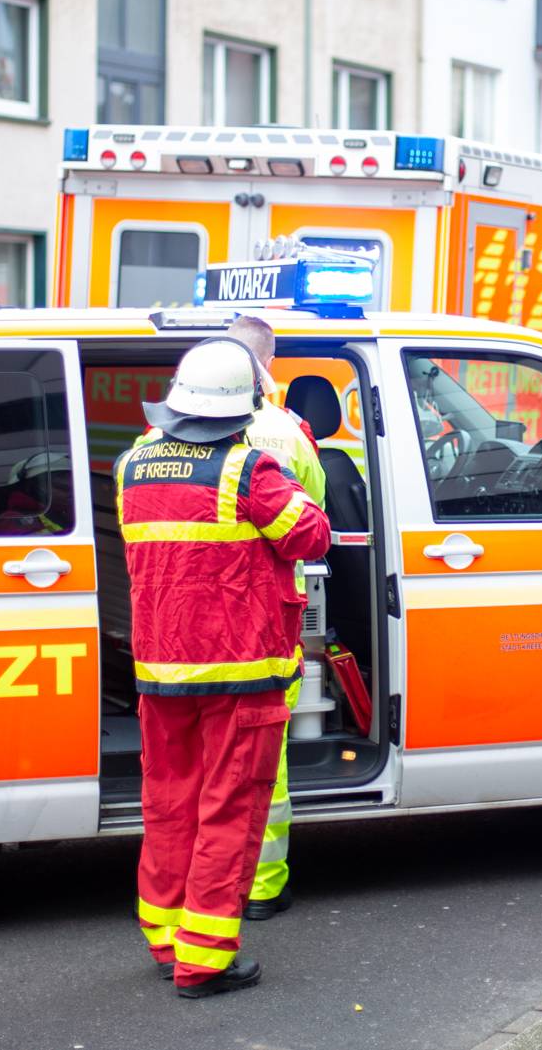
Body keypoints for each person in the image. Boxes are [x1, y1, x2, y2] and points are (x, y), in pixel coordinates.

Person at [117, 338, 330, 997]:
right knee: (229, 811)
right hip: (241, 670)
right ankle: (205, 959)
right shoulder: (249, 471)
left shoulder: (131, 465)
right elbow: (312, 535)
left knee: (168, 803)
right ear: (244, 409)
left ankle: (166, 939)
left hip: (161, 671)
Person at [224, 314, 324, 922]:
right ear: (268, 364)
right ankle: (261, 885)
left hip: (184, 636)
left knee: (197, 759)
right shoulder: (286, 433)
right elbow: (314, 522)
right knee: (265, 760)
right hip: (266, 625)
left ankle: (199, 885)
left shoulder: (159, 443)